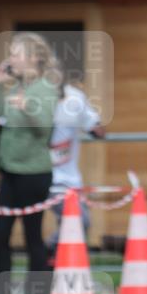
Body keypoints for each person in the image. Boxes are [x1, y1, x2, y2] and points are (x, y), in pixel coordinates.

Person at [0, 32, 60, 294]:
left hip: (34, 173)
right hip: (10, 173)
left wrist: (27, 108)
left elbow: (44, 130)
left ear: (34, 58)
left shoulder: (45, 89)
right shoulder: (13, 87)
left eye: (16, 54)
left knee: (32, 237)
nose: (11, 59)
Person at [47, 82, 105, 258]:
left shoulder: (74, 97)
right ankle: (45, 254)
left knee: (77, 223)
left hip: (65, 179)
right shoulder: (27, 93)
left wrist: (94, 125)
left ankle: (53, 263)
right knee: (77, 222)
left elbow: (97, 129)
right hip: (35, 174)